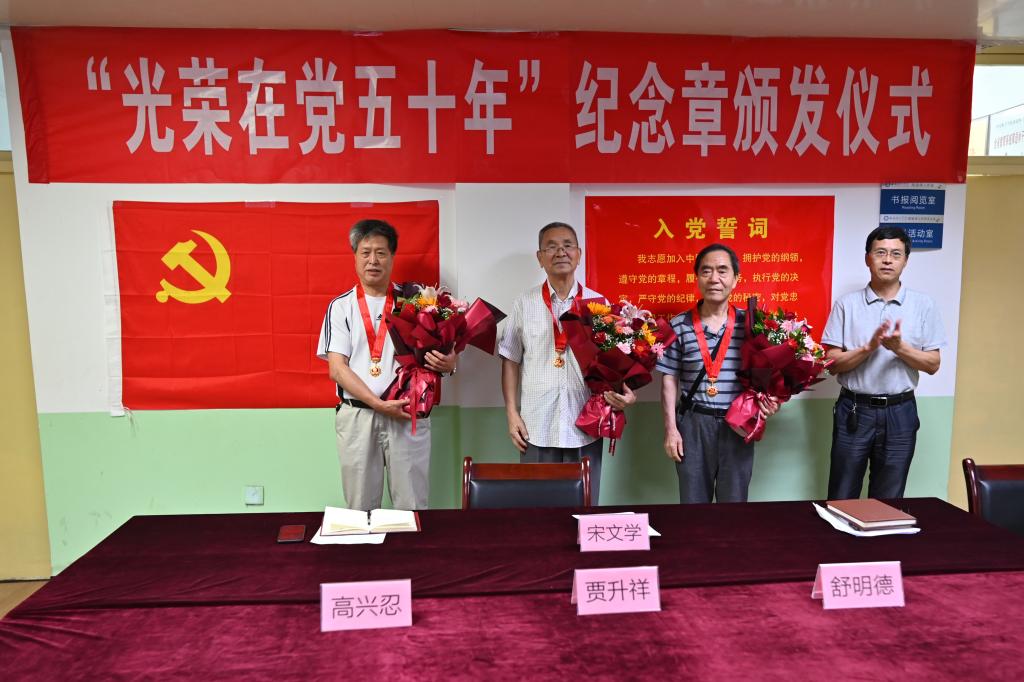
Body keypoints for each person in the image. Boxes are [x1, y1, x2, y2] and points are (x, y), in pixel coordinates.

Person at [316, 219, 456, 511]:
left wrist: (450, 362)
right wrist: (378, 404)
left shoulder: (417, 301)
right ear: (355, 257)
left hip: (407, 414)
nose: (373, 260)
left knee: (412, 504)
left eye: (381, 253)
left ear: (392, 257)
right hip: (358, 416)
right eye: (365, 252)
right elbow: (337, 369)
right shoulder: (340, 307)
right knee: (359, 508)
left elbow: (442, 349)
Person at [498, 221, 635, 504]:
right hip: (536, 423)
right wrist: (512, 413)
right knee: (536, 509)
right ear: (540, 258)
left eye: (567, 245)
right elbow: (510, 359)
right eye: (551, 247)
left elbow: (615, 362)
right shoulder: (524, 303)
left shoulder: (600, 304)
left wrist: (624, 393)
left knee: (583, 507)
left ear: (579, 254)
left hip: (585, 421)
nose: (560, 252)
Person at [822, 226, 945, 500]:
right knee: (842, 494)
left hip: (900, 412)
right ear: (868, 258)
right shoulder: (846, 304)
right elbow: (831, 363)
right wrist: (868, 348)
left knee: (889, 498)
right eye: (880, 253)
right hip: (854, 409)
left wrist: (900, 348)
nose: (887, 260)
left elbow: (933, 364)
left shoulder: (924, 305)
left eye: (895, 254)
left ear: (905, 261)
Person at [658, 243, 778, 503]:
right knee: (693, 505)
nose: (714, 278)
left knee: (734, 507)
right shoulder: (678, 325)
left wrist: (771, 400)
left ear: (735, 279)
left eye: (722, 271)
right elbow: (669, 380)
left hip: (738, 424)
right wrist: (671, 430)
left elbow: (769, 374)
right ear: (697, 277)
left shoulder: (753, 325)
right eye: (706, 271)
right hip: (693, 425)